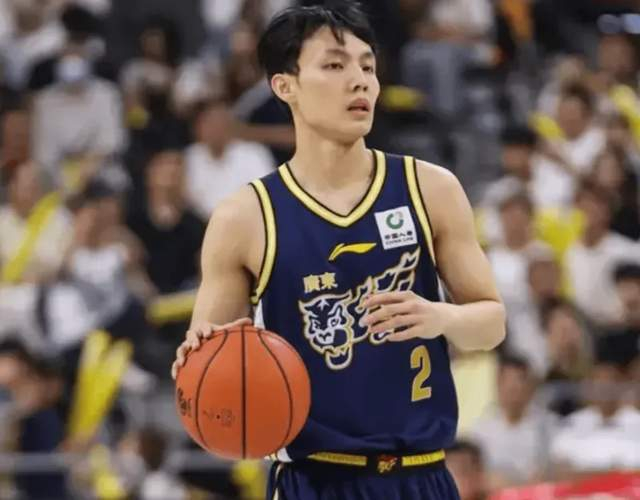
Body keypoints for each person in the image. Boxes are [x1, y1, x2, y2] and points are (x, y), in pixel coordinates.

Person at [172, 3, 506, 499]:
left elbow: (492, 323)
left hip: (423, 474)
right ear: (285, 86)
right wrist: (197, 360)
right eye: (334, 65)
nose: (359, 81)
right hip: (315, 479)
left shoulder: (430, 188)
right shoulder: (245, 217)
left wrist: (440, 317)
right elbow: (211, 364)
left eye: (367, 67)